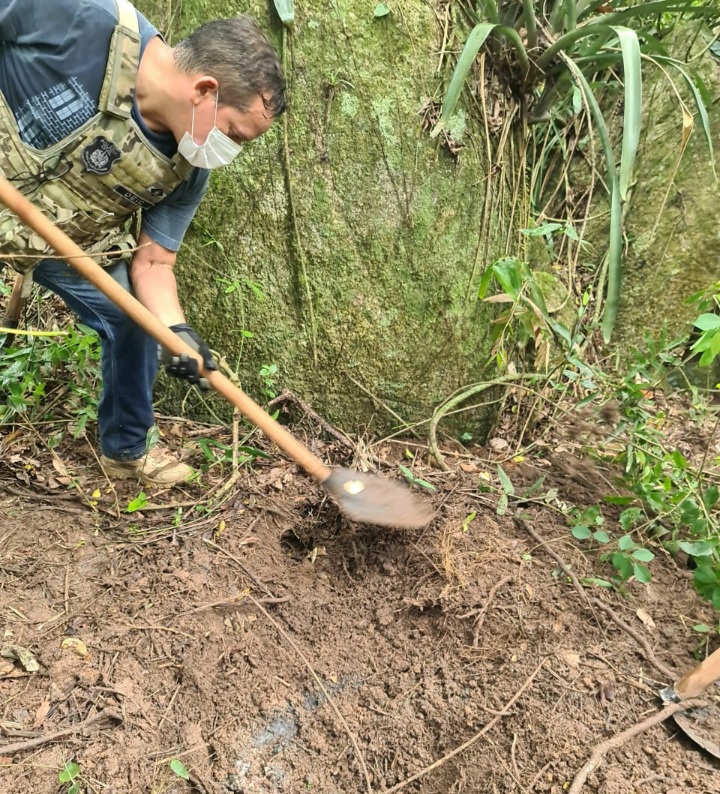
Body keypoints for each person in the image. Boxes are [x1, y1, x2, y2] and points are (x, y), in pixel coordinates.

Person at [0, 0, 286, 484]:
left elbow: (153, 262)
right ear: (204, 90)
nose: (230, 152)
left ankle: (126, 453)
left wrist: (177, 333)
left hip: (59, 240)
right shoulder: (81, 19)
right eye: (235, 134)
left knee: (134, 319)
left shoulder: (188, 171)